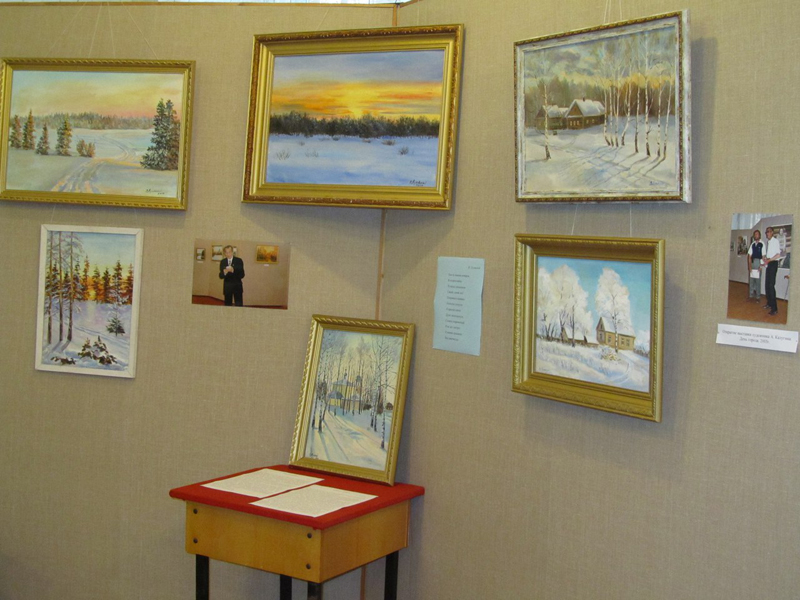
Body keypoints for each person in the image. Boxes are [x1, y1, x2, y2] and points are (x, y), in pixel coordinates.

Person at [763, 227, 781, 316]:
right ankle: (769, 303)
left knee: (771, 286)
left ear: (772, 232)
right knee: (767, 285)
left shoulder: (775, 241)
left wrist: (769, 260)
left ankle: (774, 309)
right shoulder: (769, 242)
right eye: (766, 232)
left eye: (769, 232)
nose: (767, 233)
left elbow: (778, 255)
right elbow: (770, 255)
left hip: (773, 264)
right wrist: (766, 260)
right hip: (769, 264)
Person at [746, 230, 763, 300]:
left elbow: (764, 256)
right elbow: (749, 256)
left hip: (758, 262)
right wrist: (749, 266)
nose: (756, 235)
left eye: (757, 234)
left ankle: (758, 296)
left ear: (759, 235)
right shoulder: (752, 244)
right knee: (751, 280)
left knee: (758, 281)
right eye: (755, 234)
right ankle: (751, 295)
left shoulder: (762, 244)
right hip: (752, 262)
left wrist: (761, 266)